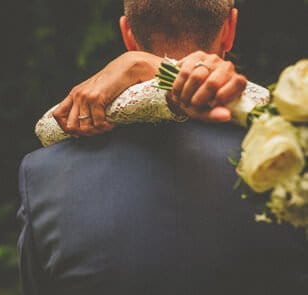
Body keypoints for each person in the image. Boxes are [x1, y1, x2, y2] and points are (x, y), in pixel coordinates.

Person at [17, 1, 308, 294]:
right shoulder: (295, 160)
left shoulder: (44, 175)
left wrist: (140, 64)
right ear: (230, 29)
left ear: (128, 35)